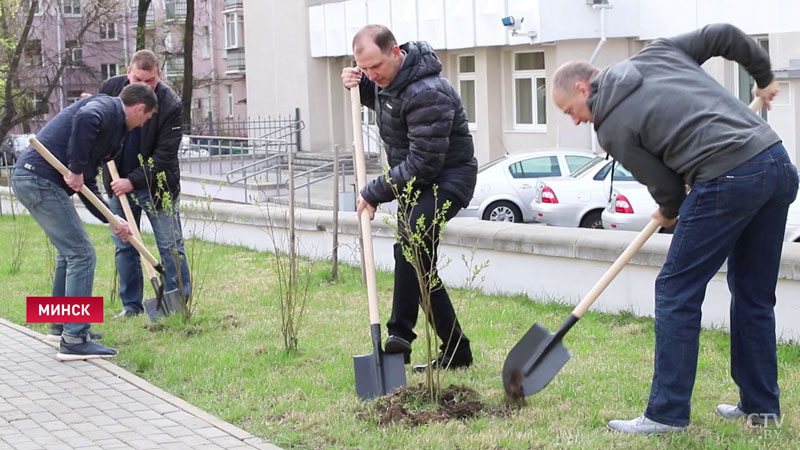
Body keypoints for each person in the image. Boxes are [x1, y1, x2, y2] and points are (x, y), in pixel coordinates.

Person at [552, 23, 796, 433]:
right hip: (776, 163)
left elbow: (666, 186)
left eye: (568, 112)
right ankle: (761, 408)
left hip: (727, 177)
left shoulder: (610, 125)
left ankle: (666, 414)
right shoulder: (659, 53)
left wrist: (668, 207)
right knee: (753, 294)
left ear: (582, 88)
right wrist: (763, 77)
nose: (575, 122)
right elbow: (724, 35)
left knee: (675, 290)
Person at [341, 25, 478, 372]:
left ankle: (399, 335)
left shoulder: (427, 92)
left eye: (377, 67)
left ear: (396, 52)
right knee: (419, 267)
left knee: (411, 245)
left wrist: (374, 192)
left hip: (446, 179)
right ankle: (456, 351)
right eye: (365, 67)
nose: (373, 74)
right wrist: (357, 85)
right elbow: (386, 99)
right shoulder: (392, 83)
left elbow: (425, 162)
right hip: (415, 184)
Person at [12, 84, 158, 360]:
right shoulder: (107, 108)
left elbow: (86, 183)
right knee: (82, 253)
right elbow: (85, 119)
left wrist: (111, 218)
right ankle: (75, 339)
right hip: (38, 179)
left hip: (33, 180)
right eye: (147, 117)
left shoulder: (112, 127)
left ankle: (59, 326)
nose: (144, 123)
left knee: (69, 255)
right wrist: (76, 169)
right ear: (140, 108)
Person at [99, 50, 191, 319]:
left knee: (170, 245)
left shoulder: (170, 104)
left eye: (149, 81)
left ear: (158, 77)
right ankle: (131, 306)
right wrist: (117, 179)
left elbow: (163, 155)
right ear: (128, 72)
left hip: (157, 187)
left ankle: (177, 303)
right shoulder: (111, 89)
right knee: (125, 245)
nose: (143, 86)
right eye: (138, 78)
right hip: (118, 183)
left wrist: (133, 181)